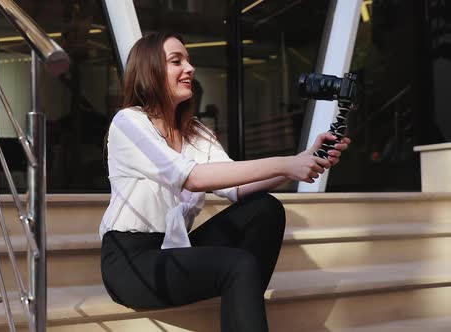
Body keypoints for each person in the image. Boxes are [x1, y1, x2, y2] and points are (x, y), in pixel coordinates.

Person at [99, 32, 350, 332]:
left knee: (265, 209)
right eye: (176, 61)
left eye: (189, 61)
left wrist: (303, 160)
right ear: (149, 71)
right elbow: (191, 178)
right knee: (240, 264)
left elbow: (236, 187)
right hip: (131, 260)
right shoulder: (129, 122)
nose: (189, 68)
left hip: (174, 248)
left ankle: (241, 309)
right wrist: (288, 164)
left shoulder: (196, 132)